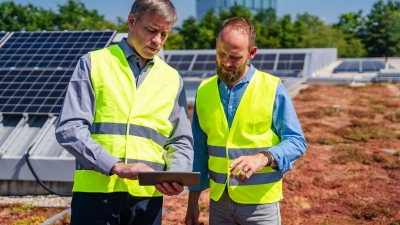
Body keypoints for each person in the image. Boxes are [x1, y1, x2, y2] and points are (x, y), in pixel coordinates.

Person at [55, 0, 194, 224]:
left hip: (147, 199)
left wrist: (176, 174)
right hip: (96, 194)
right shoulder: (94, 63)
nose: (157, 40)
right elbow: (69, 129)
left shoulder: (171, 78)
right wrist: (115, 166)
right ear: (131, 21)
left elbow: (180, 139)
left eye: (164, 34)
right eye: (151, 30)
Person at [185, 17, 307, 225]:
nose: (226, 63)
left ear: (251, 53)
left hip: (261, 206)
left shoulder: (272, 89)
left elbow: (297, 142)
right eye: (221, 54)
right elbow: (200, 151)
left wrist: (263, 158)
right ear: (216, 44)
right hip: (219, 204)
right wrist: (192, 201)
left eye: (235, 57)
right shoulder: (204, 91)